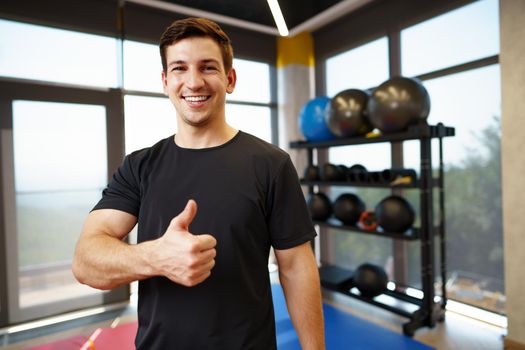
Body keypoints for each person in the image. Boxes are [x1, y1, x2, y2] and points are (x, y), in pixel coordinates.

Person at [72, 17, 325, 350]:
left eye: (208, 68)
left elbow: (296, 268)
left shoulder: (271, 164)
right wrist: (156, 257)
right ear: (165, 81)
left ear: (229, 79)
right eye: (179, 68)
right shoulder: (139, 166)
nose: (193, 82)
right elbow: (86, 262)